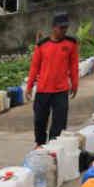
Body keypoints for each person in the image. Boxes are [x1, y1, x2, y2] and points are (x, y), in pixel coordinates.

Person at [26, 13, 79, 147]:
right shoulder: (42, 45)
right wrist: (29, 86)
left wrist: (75, 83)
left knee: (60, 121)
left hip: (61, 90)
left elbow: (74, 66)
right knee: (39, 120)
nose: (64, 31)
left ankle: (54, 145)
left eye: (65, 28)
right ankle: (39, 143)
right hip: (43, 89)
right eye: (61, 28)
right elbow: (34, 67)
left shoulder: (71, 44)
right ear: (54, 28)